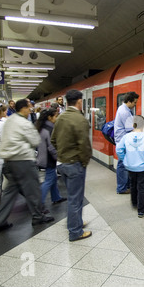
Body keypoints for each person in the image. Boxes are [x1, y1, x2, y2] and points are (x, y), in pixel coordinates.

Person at [0, 99, 54, 233]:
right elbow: (35, 140)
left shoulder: (9, 120)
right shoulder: (24, 123)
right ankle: (38, 217)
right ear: (23, 109)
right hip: (23, 161)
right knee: (33, 190)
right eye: (29, 108)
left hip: (8, 162)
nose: (30, 110)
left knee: (9, 193)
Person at [51, 89, 92, 242]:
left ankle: (77, 222)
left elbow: (53, 140)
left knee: (73, 197)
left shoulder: (60, 117)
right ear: (80, 101)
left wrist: (62, 154)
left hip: (61, 164)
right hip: (74, 164)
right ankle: (75, 231)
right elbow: (85, 146)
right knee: (76, 199)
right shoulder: (80, 119)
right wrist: (84, 161)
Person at [116, 115, 144, 218]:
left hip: (130, 166)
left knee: (133, 185)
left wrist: (124, 159)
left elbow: (119, 150)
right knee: (141, 188)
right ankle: (141, 210)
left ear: (132, 125)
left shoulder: (126, 137)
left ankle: (134, 203)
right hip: (143, 167)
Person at [35, 108, 66, 213]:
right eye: (55, 116)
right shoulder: (49, 129)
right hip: (48, 158)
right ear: (50, 117)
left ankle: (56, 197)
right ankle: (39, 205)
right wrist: (58, 156)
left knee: (52, 178)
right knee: (49, 180)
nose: (56, 118)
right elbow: (51, 146)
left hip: (44, 157)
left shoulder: (42, 127)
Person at [114, 92, 139, 194]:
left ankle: (125, 186)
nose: (135, 105)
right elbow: (130, 129)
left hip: (121, 140)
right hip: (123, 142)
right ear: (129, 101)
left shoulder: (122, 108)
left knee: (124, 164)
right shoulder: (125, 112)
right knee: (123, 165)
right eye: (134, 102)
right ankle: (122, 188)